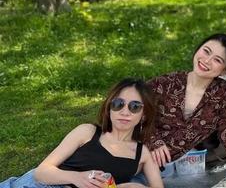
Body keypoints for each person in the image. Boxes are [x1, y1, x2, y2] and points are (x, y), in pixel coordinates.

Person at [0, 79, 162, 188]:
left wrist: (129, 186)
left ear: (144, 115)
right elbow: (42, 172)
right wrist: (78, 178)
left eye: (134, 107)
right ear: (109, 109)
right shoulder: (87, 132)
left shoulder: (143, 154)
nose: (124, 112)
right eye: (118, 104)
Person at [146, 33, 226, 170]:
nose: (207, 61)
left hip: (185, 167)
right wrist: (153, 141)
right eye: (206, 51)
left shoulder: (225, 94)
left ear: (225, 70)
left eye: (217, 60)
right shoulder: (164, 84)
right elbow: (131, 111)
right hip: (141, 156)